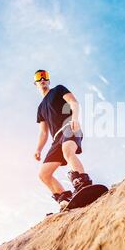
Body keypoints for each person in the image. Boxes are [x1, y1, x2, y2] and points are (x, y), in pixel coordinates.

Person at [33, 70, 93, 209]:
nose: (42, 79)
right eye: (38, 77)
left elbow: (73, 102)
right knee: (43, 174)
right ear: (35, 83)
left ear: (48, 80)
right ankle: (64, 198)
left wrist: (75, 118)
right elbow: (43, 132)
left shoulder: (58, 89)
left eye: (45, 76)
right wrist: (38, 149)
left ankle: (83, 183)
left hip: (69, 126)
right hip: (56, 139)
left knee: (67, 150)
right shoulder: (40, 108)